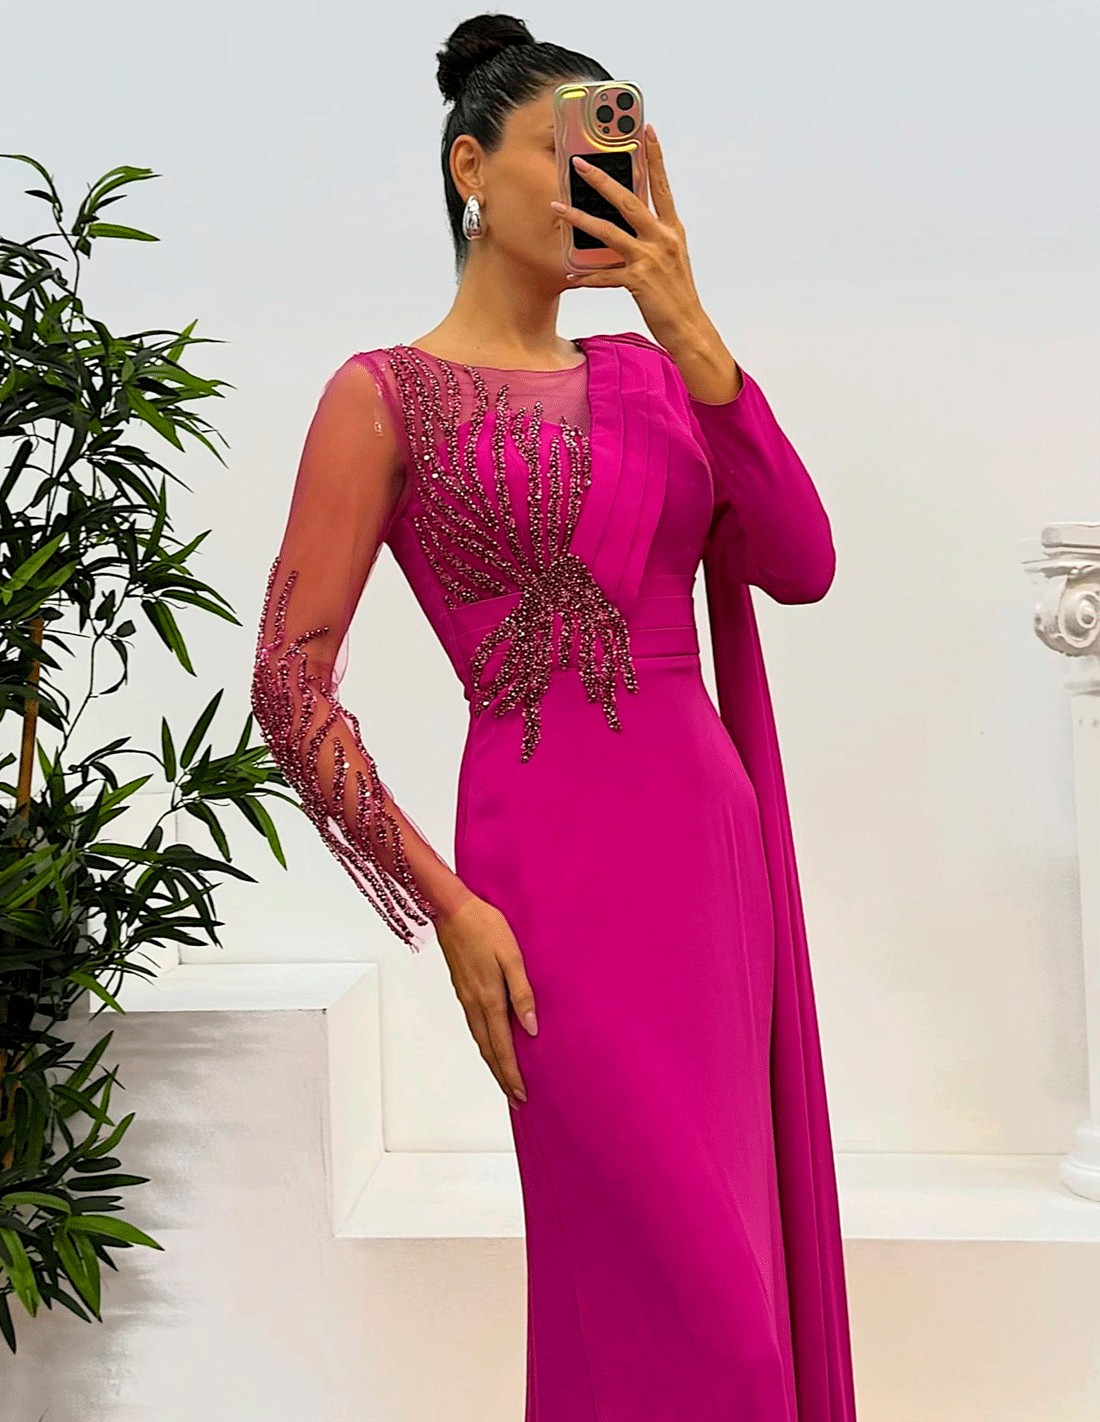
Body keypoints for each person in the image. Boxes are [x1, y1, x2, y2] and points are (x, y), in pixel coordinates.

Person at [250, 13, 858, 1421]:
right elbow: (290, 684)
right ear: (471, 168)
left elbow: (803, 561)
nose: (596, 182)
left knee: (727, 1300)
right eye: (560, 151)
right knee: (706, 1318)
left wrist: (687, 321)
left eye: (615, 158)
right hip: (545, 891)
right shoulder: (381, 395)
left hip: (708, 870)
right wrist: (446, 903)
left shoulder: (653, 377)